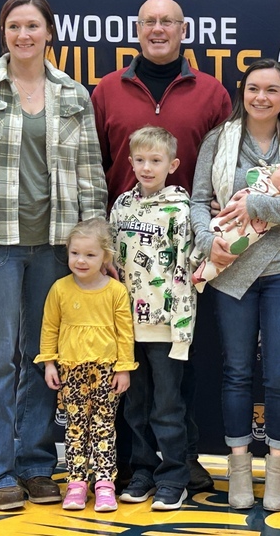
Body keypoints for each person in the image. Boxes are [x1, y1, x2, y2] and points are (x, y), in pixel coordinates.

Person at [0, 0, 107, 511]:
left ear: (49, 33)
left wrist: (95, 241)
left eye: (33, 26)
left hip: (55, 245)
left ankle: (34, 465)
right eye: (14, 26)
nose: (24, 35)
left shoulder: (73, 95)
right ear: (4, 33)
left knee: (43, 356)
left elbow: (91, 173)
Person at [92, 0, 231, 492]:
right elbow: (95, 169)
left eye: (167, 21)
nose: (157, 28)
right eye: (149, 21)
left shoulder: (212, 92)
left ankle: (182, 460)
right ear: (137, 29)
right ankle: (139, 465)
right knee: (134, 381)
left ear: (183, 29)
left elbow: (225, 168)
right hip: (126, 269)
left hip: (185, 260)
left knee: (178, 375)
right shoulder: (107, 90)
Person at [191, 59, 280, 511]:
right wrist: (208, 241)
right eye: (253, 89)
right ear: (241, 93)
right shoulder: (218, 140)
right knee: (237, 371)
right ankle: (240, 465)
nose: (261, 98)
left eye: (272, 90)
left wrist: (258, 204)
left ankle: (279, 466)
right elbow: (195, 202)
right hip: (231, 273)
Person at [110, 126, 195, 511]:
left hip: (165, 325)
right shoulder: (121, 206)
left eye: (156, 161)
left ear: (172, 165)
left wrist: (181, 328)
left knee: (167, 406)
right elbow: (110, 265)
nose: (147, 168)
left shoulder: (180, 210)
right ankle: (142, 471)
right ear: (130, 162)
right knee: (135, 404)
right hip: (126, 326)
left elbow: (186, 270)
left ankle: (174, 477)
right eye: (140, 160)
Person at [35, 218, 137, 513]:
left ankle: (105, 483)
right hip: (71, 370)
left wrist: (124, 367)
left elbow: (124, 332)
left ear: (106, 257)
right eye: (75, 253)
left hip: (106, 370)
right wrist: (50, 364)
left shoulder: (116, 292)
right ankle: (77, 483)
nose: (81, 261)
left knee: (104, 427)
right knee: (76, 428)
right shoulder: (60, 289)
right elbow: (49, 328)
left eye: (90, 255)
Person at [191, 160, 280, 284]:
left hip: (279, 265)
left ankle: (201, 276)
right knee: (217, 245)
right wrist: (205, 240)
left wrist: (254, 204)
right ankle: (198, 259)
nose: (279, 167)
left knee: (226, 255)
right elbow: (199, 200)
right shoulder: (268, 183)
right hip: (221, 229)